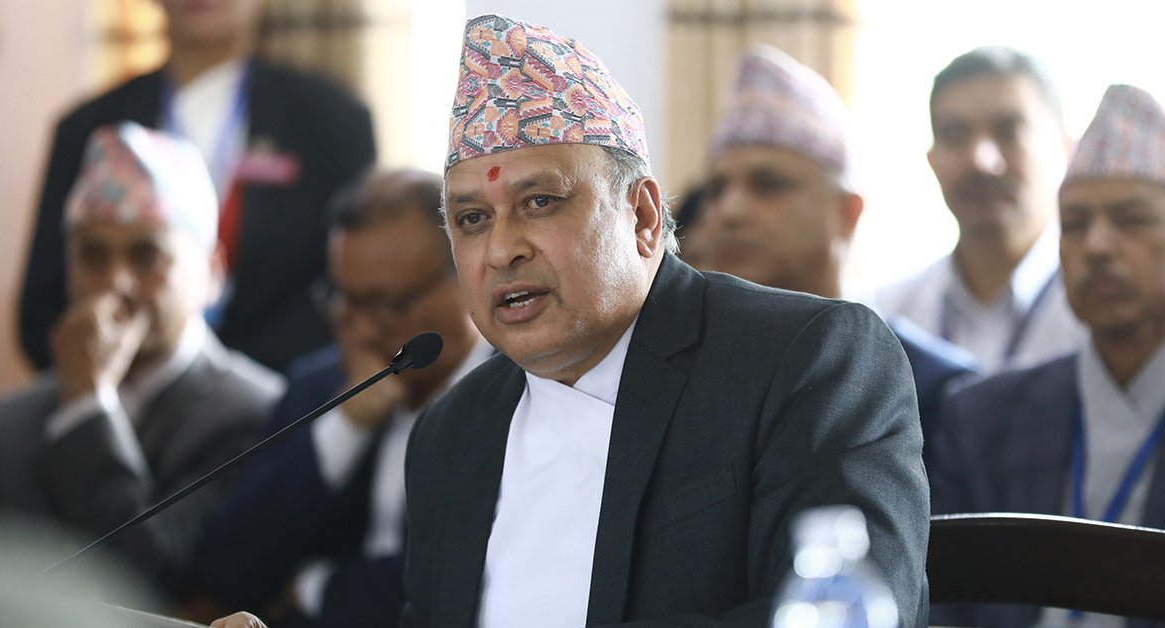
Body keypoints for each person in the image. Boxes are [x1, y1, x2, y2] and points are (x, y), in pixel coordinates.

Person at [410, 14, 928, 627]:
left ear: (643, 216)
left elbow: (846, 616)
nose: (501, 250)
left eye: (539, 202)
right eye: (472, 219)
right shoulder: (452, 431)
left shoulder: (805, 361)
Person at [0, 122, 282, 601]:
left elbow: (149, 585)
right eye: (92, 256)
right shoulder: (13, 421)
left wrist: (87, 406)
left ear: (212, 273)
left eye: (146, 256)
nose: (116, 282)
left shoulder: (259, 413)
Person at [195, 169, 490, 627]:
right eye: (346, 300)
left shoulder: (521, 396)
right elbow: (225, 571)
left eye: (388, 303)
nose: (364, 330)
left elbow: (462, 586)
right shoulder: (316, 387)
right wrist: (346, 425)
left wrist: (314, 586)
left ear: (467, 276)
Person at [19, 0, 377, 373]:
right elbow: (42, 310)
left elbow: (353, 294)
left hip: (289, 390)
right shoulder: (87, 128)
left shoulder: (332, 122)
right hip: (122, 385)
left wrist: (239, 385)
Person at [930, 84, 1165, 628]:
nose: (1096, 246)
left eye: (1131, 219)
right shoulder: (982, 415)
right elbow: (942, 606)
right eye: (1075, 224)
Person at [698, 44, 975, 457]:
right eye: (717, 189)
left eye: (767, 184)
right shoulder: (688, 380)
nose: (730, 211)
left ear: (847, 212)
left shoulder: (937, 389)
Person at [870, 46, 1084, 373]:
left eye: (1008, 131)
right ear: (932, 160)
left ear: (1065, 150)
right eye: (955, 135)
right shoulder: (883, 322)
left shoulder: (1103, 316)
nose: (982, 161)